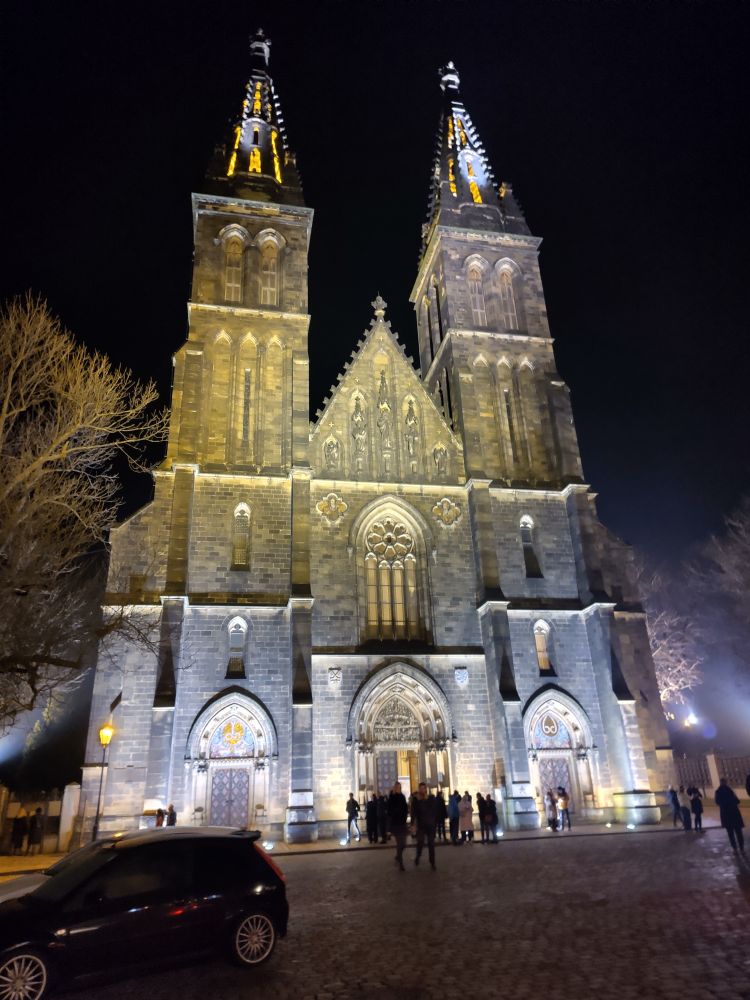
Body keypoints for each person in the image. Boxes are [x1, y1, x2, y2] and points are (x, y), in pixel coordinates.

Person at [412, 782, 438, 869]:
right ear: (419, 790)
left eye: (424, 788)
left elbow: (434, 809)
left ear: (426, 789)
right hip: (421, 825)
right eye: (421, 789)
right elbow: (413, 812)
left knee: (431, 844)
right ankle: (418, 856)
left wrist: (434, 821)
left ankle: (432, 862)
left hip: (430, 825)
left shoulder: (431, 798)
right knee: (420, 842)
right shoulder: (416, 800)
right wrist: (413, 824)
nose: (423, 790)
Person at [715, 777, 744, 852]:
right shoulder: (730, 790)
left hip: (725, 814)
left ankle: (734, 847)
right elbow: (737, 801)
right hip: (734, 813)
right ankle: (741, 847)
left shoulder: (718, 791)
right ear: (726, 782)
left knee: (730, 833)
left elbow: (717, 802)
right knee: (738, 831)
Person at [387, 782, 409, 870]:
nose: (398, 789)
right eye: (396, 787)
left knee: (404, 844)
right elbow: (389, 810)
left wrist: (405, 816)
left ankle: (397, 856)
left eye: (399, 787)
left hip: (402, 824)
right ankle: (401, 863)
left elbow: (405, 808)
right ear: (394, 788)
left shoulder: (402, 796)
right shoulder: (392, 797)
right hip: (395, 824)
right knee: (400, 843)